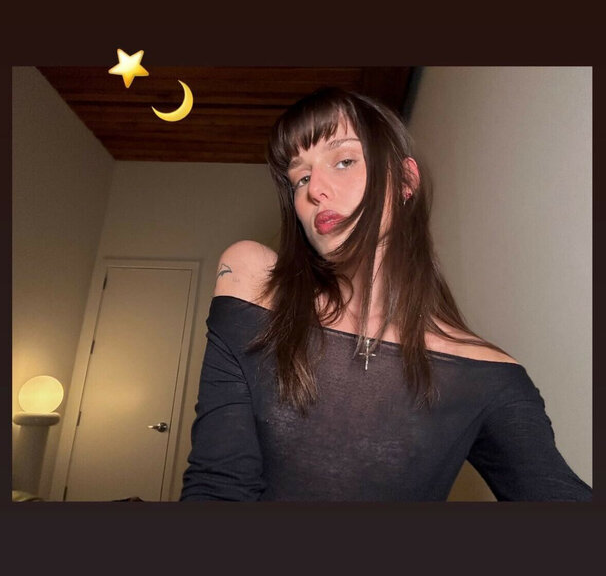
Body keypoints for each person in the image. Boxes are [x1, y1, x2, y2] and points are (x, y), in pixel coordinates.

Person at [180, 87, 592, 502]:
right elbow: (217, 486)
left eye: (344, 161)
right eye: (300, 177)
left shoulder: (488, 375)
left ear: (405, 181)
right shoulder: (256, 287)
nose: (315, 189)